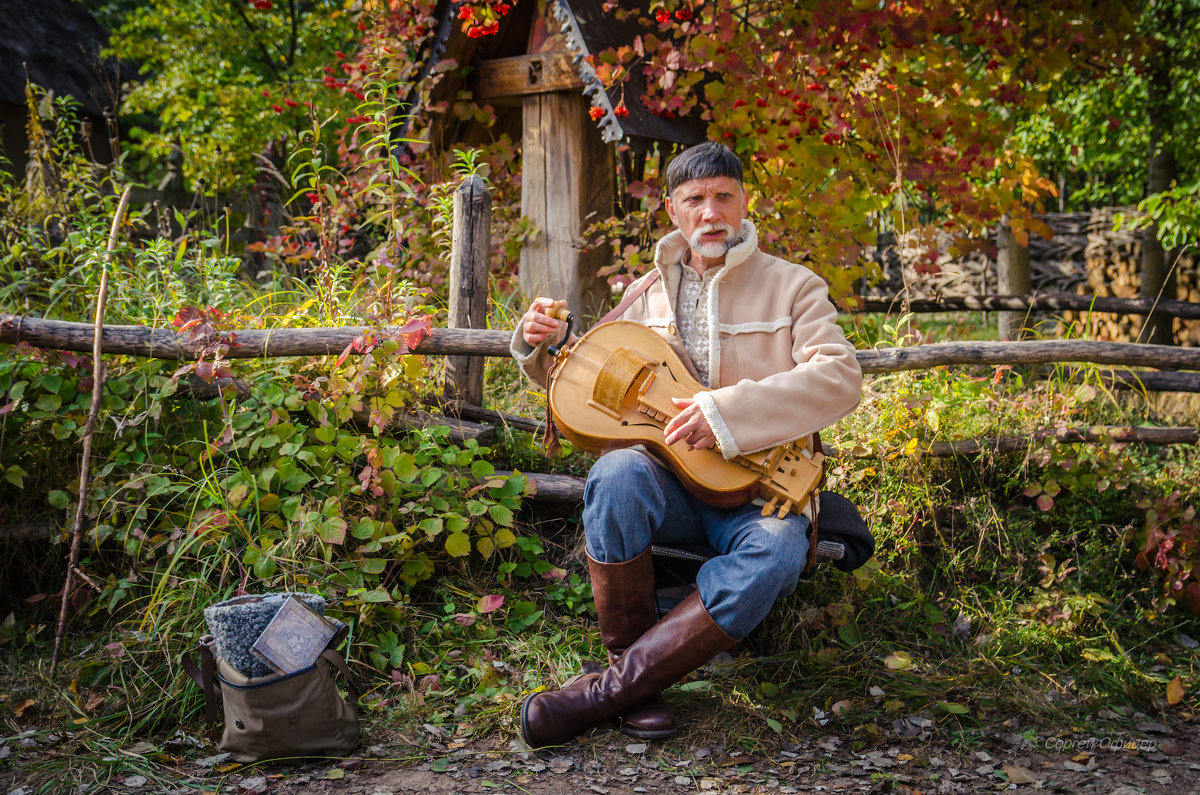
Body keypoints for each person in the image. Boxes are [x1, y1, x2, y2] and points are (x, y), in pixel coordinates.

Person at [510, 141, 862, 747]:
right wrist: (542, 341)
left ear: (744, 202)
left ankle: (614, 691)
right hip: (671, 488)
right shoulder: (644, 295)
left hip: (759, 493)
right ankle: (639, 679)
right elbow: (587, 392)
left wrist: (723, 411)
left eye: (724, 196)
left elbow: (839, 378)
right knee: (618, 472)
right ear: (673, 210)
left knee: (777, 552)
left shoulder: (794, 287)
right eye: (695, 199)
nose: (711, 212)